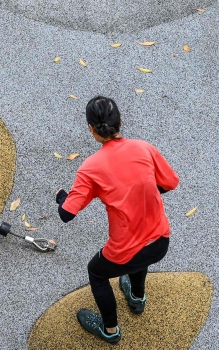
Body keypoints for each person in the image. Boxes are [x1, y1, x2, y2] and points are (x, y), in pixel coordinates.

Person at [55, 96, 179, 344]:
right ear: (120, 121)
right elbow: (170, 183)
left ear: (91, 130)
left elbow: (66, 214)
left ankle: (110, 331)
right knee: (139, 257)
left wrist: (62, 198)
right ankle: (136, 297)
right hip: (160, 241)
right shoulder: (144, 148)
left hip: (125, 250)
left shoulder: (90, 168)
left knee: (97, 273)